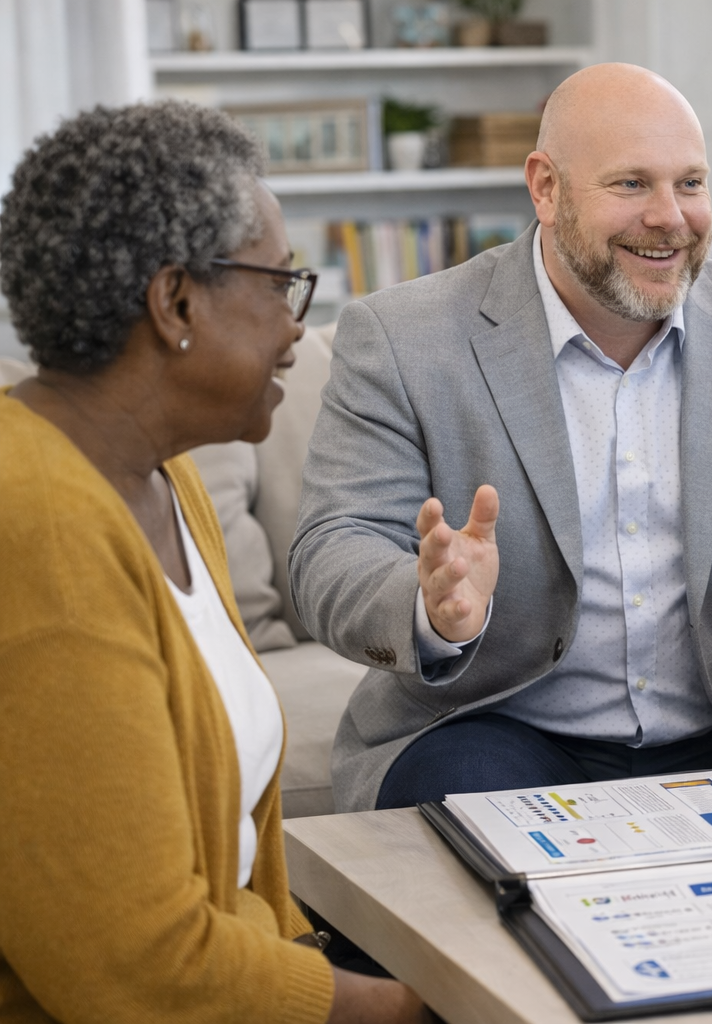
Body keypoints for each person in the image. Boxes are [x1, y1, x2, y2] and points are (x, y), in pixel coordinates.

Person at [290, 63, 712, 814]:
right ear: (545, 188)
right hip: (493, 726)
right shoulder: (406, 337)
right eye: (631, 184)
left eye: (690, 183)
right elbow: (331, 550)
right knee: (482, 841)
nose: (670, 216)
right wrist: (426, 605)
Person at [0, 103, 429, 1022]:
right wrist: (418, 1010)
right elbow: (138, 970)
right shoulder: (37, 528)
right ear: (175, 301)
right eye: (281, 285)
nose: (296, 328)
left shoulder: (164, 476)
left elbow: (231, 878)